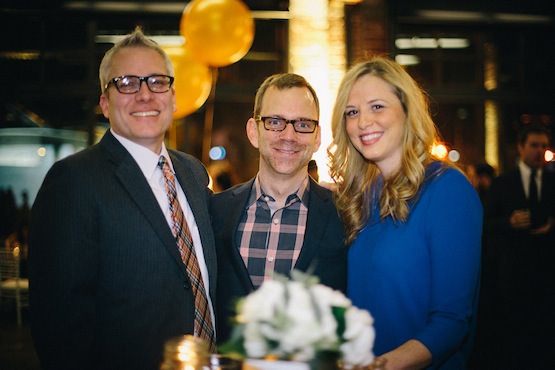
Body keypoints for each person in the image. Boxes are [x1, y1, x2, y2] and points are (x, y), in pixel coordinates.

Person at [29, 28, 217, 370]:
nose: (145, 95)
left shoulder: (192, 172)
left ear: (173, 97)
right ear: (105, 102)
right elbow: (58, 328)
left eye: (157, 82)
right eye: (127, 83)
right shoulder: (73, 182)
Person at [327, 57, 482, 369]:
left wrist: (381, 366)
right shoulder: (359, 197)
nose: (363, 122)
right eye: (352, 112)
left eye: (377, 106)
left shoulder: (447, 189)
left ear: (407, 111)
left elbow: (452, 322)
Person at [211, 73, 346, 343]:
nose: (289, 135)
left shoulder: (346, 215)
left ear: (317, 137)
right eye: (275, 122)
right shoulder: (214, 212)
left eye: (303, 124)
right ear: (253, 132)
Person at [485, 124, 555, 369]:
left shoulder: (552, 181)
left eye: (544, 146)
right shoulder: (503, 182)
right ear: (520, 147)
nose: (539, 151)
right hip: (514, 271)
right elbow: (486, 222)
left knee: (545, 335)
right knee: (515, 334)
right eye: (534, 145)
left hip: (547, 271)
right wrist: (509, 222)